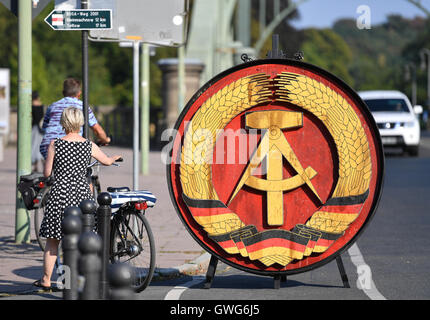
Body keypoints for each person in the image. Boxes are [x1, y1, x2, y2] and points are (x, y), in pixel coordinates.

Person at [33, 107, 122, 290]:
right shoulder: (88, 145)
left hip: (59, 195)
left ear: (64, 122)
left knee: (53, 240)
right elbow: (105, 161)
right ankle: (79, 279)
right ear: (80, 122)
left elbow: (47, 172)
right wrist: (113, 158)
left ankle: (47, 280)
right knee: (83, 238)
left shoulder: (55, 144)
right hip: (81, 195)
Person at [39, 77, 111, 160]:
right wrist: (105, 139)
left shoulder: (52, 106)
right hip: (71, 148)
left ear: (63, 92)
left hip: (47, 147)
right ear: (79, 93)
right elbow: (97, 130)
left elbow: (44, 128)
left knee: (55, 168)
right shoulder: (82, 106)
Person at [31, 91, 44, 172]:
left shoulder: (32, 106)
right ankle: (42, 164)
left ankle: (35, 165)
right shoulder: (41, 105)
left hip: (34, 128)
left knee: (33, 147)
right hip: (40, 129)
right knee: (39, 146)